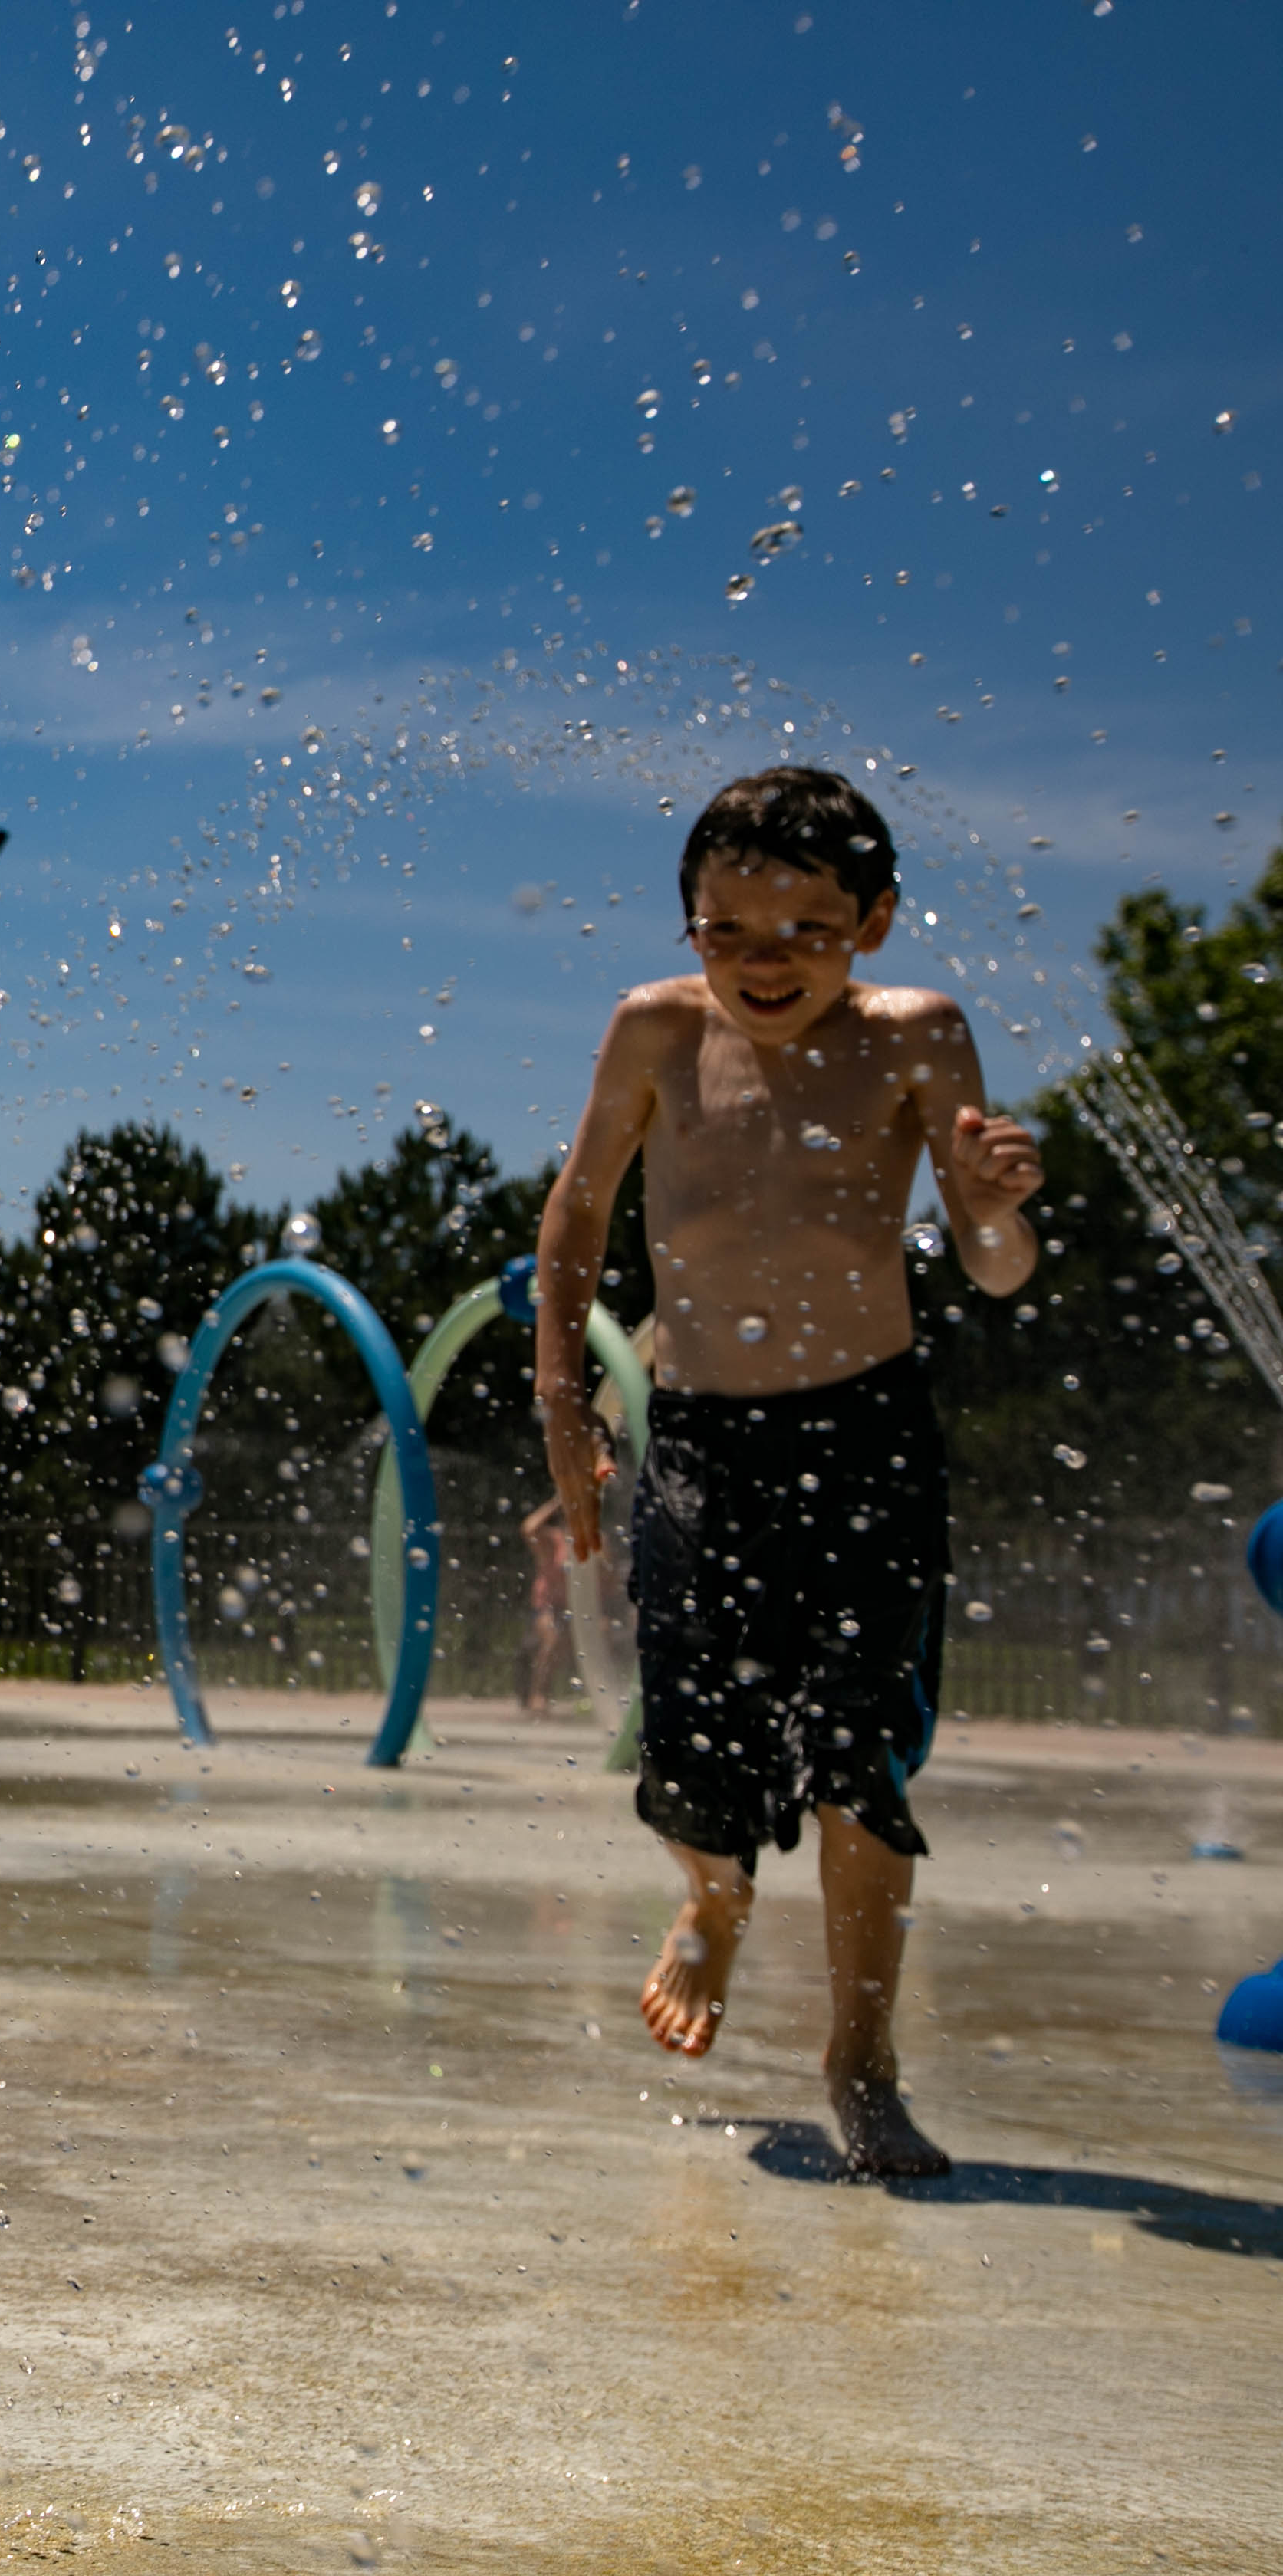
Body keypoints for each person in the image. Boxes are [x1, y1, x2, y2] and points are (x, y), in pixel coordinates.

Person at [534, 766, 1043, 2180]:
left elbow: (995, 1268)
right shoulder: (654, 1030)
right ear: (688, 924)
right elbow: (577, 1217)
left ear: (873, 923)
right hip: (702, 1437)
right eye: (729, 931)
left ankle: (860, 2061)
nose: (765, 963)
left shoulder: (917, 1036)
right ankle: (712, 1901)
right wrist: (564, 1402)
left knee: (858, 1758)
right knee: (694, 1746)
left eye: (806, 932)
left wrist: (994, 1210)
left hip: (868, 1435)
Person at [515, 1496, 575, 1712]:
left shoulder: (590, 1540)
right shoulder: (553, 1540)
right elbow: (528, 1528)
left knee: (604, 1629)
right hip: (547, 1607)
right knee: (552, 1635)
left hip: (575, 1611)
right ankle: (538, 1693)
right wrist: (558, 1501)